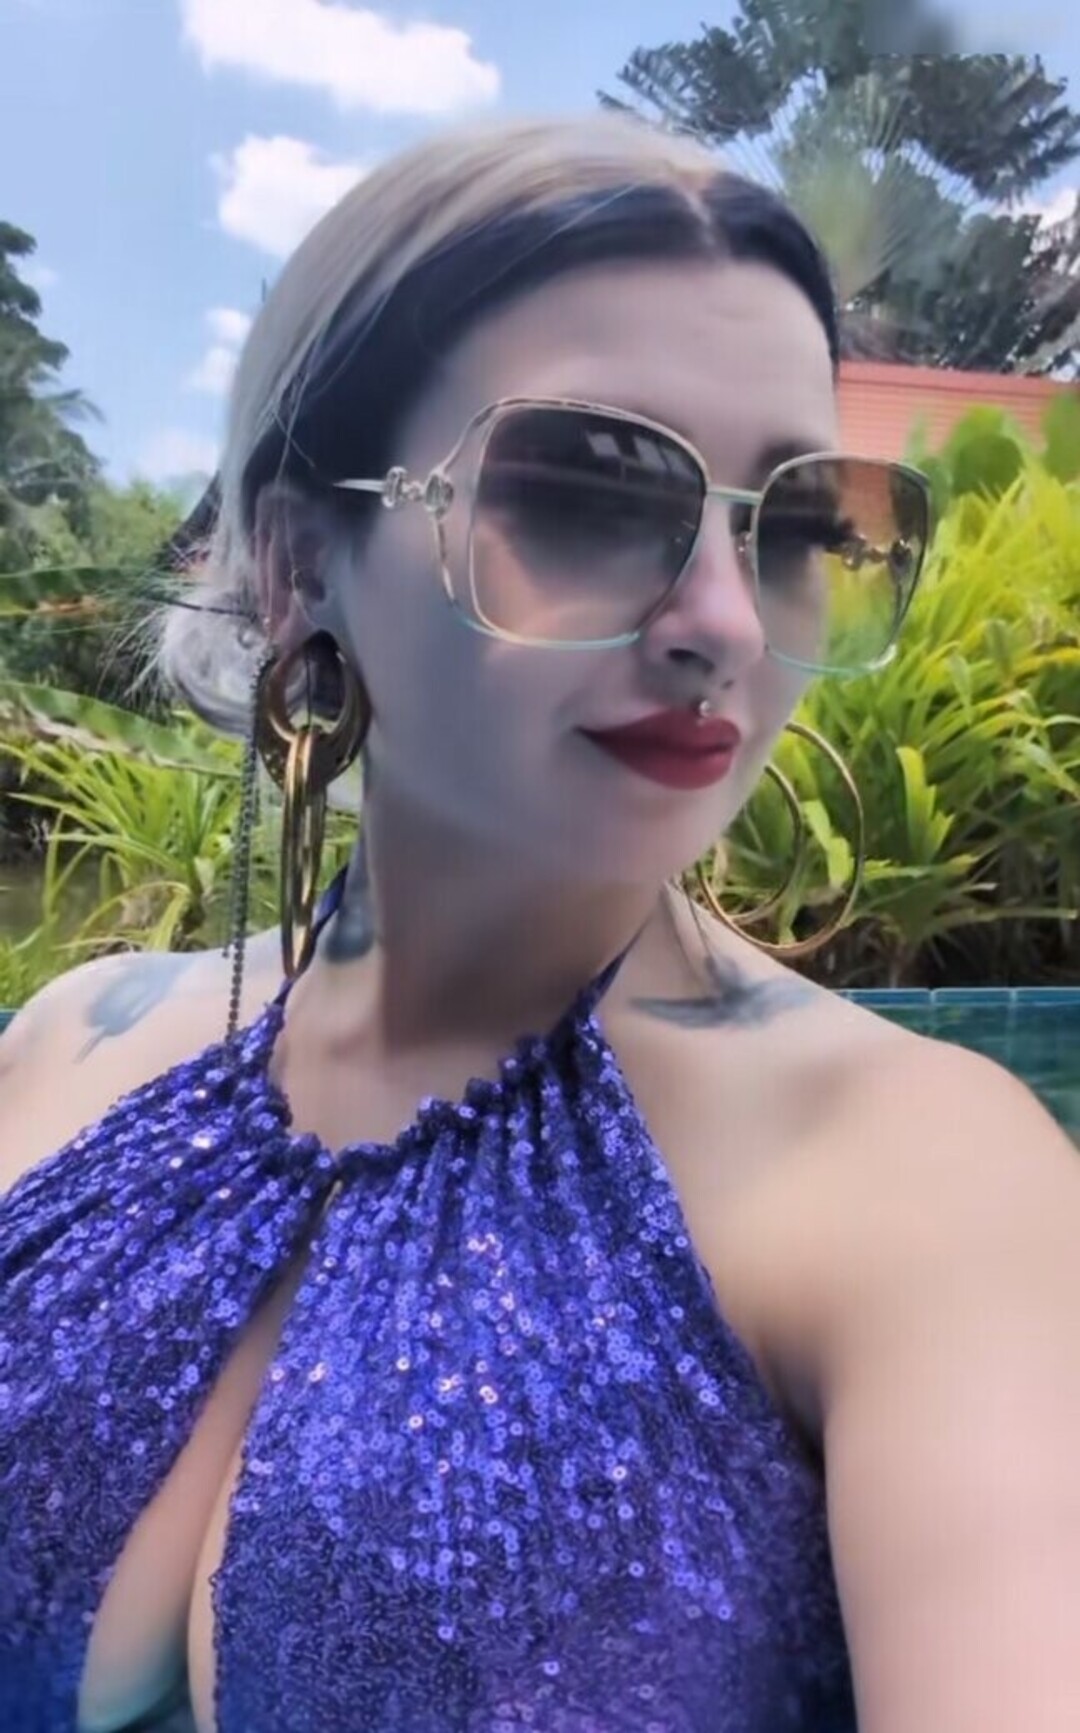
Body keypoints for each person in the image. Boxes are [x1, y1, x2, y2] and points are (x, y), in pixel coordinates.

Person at [3, 111, 1079, 1733]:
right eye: (588, 486)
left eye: (802, 524)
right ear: (298, 558)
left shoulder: (921, 1183)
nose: (724, 621)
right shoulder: (69, 1052)